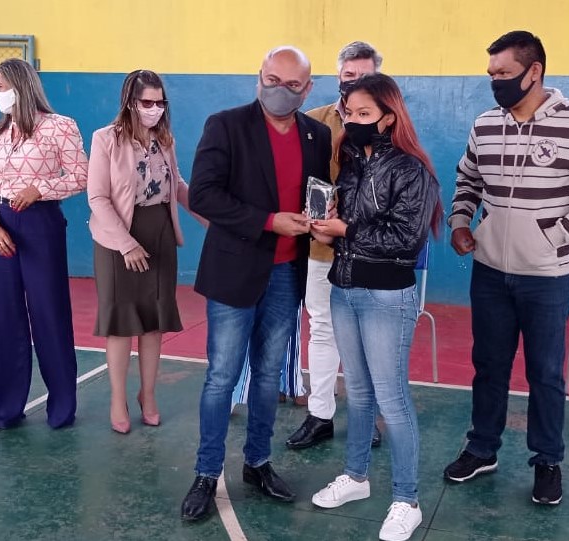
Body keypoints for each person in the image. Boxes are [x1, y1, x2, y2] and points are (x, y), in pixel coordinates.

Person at [443, 31, 569, 505]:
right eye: (491, 75)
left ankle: (547, 460)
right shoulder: (485, 124)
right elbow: (468, 178)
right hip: (489, 272)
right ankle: (482, 448)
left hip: (546, 276)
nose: (495, 82)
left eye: (503, 73)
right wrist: (461, 222)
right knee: (489, 365)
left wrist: (555, 236)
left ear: (534, 71)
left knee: (545, 372)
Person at [180, 45, 331, 522]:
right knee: (222, 376)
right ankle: (207, 472)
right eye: (272, 79)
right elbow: (203, 195)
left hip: (287, 272)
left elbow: (317, 195)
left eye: (292, 85)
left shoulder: (318, 135)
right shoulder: (225, 125)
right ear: (259, 77)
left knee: (268, 376)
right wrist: (269, 221)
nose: (280, 90)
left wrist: (318, 219)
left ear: (308, 89)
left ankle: (258, 462)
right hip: (234, 272)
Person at [308, 74, 441, 541]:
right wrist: (325, 226)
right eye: (349, 113)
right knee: (359, 393)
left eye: (364, 113)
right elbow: (347, 224)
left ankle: (407, 500)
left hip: (387, 297)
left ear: (389, 116)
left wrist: (344, 232)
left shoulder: (412, 170)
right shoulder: (349, 161)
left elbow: (406, 240)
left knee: (392, 398)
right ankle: (356, 476)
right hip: (344, 289)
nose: (353, 121)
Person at [0, 58, 89, 429]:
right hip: (0, 226)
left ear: (22, 86)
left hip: (41, 223)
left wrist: (40, 188)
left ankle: (62, 407)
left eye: (1, 87)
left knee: (49, 313)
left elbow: (81, 176)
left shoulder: (59, 127)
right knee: (5, 315)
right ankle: (7, 408)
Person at [87, 70, 203, 434]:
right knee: (122, 323)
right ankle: (118, 399)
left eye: (159, 102)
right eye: (146, 102)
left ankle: (148, 395)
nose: (154, 109)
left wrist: (207, 216)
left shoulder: (164, 139)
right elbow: (97, 198)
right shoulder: (105, 139)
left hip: (160, 235)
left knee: (154, 322)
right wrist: (127, 244)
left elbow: (176, 184)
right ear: (130, 102)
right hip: (118, 238)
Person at [286, 40, 386, 451]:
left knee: (368, 338)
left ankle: (367, 417)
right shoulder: (312, 121)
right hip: (322, 247)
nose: (356, 82)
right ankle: (320, 414)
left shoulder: (392, 124)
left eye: (365, 76)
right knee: (322, 330)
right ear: (338, 78)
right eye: (349, 76)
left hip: (369, 249)